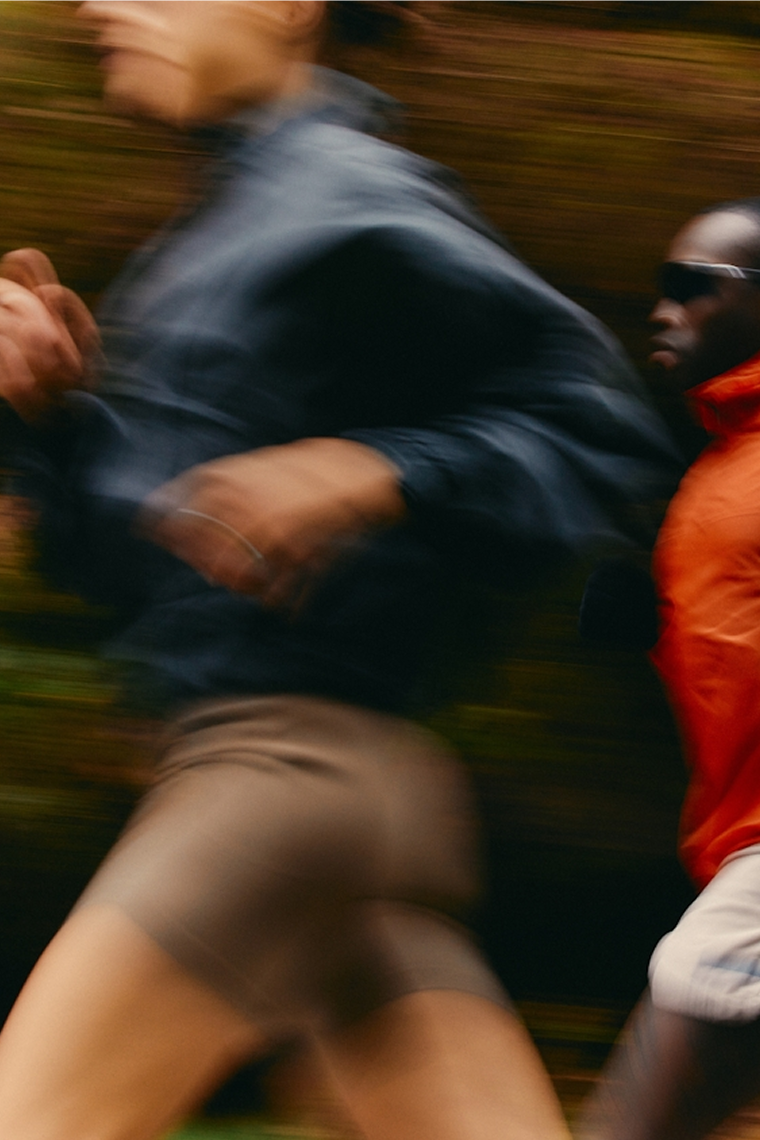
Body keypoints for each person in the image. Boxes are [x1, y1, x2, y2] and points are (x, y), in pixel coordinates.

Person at [0, 2, 676, 1138]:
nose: (100, 5)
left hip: (281, 788)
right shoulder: (220, 232)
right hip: (351, 801)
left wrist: (379, 470)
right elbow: (158, 564)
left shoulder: (351, 198)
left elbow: (599, 432)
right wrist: (54, 421)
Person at [577, 197, 760, 1140]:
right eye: (663, 286)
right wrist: (653, 628)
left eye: (695, 286)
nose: (664, 308)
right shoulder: (721, 468)